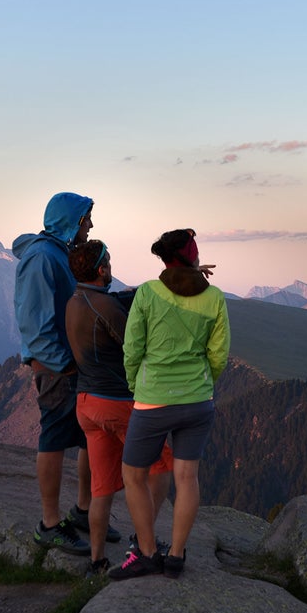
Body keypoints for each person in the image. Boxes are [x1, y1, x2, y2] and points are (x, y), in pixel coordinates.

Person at [109, 229, 230, 580]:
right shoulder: (215, 298)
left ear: (164, 259)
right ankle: (176, 556)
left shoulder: (147, 293)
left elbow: (132, 349)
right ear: (193, 258)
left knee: (133, 476)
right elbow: (218, 354)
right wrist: (203, 383)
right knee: (187, 477)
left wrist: (137, 386)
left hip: (152, 401)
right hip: (198, 400)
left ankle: (147, 552)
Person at [65, 240, 175, 576]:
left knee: (102, 488)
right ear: (101, 269)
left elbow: (118, 298)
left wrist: (172, 281)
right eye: (109, 262)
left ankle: (97, 561)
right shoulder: (106, 307)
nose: (111, 266)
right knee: (162, 467)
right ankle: (144, 543)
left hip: (86, 405)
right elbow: (136, 346)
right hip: (118, 404)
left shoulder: (75, 300)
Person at [13, 192, 96, 555]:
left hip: (70, 363)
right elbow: (35, 323)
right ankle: (49, 523)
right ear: (73, 221)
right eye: (87, 220)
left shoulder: (55, 253)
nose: (91, 226)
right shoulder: (42, 257)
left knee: (87, 437)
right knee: (53, 437)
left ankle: (82, 511)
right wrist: (62, 363)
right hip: (58, 366)